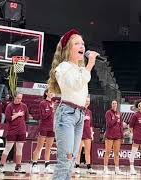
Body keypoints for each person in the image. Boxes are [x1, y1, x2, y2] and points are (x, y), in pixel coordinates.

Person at [47, 28, 98, 179]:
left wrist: (86, 68)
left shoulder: (80, 69)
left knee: (72, 159)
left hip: (79, 115)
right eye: (77, 43)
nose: (82, 46)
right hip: (67, 113)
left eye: (83, 43)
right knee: (65, 159)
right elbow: (75, 84)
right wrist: (90, 65)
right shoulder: (62, 67)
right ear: (68, 49)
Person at [0, 92, 29, 173]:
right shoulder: (9, 106)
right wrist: (17, 114)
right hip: (12, 130)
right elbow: (8, 119)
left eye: (20, 98)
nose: (19, 100)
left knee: (19, 149)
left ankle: (18, 167)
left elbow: (26, 118)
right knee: (7, 148)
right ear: (14, 97)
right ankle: (1, 166)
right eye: (18, 98)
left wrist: (18, 117)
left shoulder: (24, 106)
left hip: (21, 130)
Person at [31, 89, 56, 174]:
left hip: (52, 128)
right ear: (46, 93)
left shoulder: (54, 104)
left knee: (48, 148)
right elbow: (43, 116)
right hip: (44, 127)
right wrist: (51, 109)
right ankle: (34, 165)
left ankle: (47, 166)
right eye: (50, 92)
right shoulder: (43, 103)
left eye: (53, 92)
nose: (52, 93)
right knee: (39, 147)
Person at [75, 97, 96, 174]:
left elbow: (90, 124)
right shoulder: (79, 110)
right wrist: (83, 118)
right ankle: (77, 166)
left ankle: (89, 167)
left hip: (87, 133)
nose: (87, 102)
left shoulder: (89, 112)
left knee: (87, 151)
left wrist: (91, 133)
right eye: (86, 101)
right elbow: (76, 120)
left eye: (88, 101)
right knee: (78, 151)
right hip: (79, 133)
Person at [103, 100, 124, 175]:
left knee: (116, 153)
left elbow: (121, 125)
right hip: (109, 135)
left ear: (117, 105)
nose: (114, 104)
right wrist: (115, 118)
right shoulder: (108, 113)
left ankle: (117, 169)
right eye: (113, 103)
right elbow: (109, 124)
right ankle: (105, 168)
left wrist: (122, 136)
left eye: (116, 103)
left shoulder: (119, 113)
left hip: (117, 136)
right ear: (111, 105)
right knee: (107, 152)